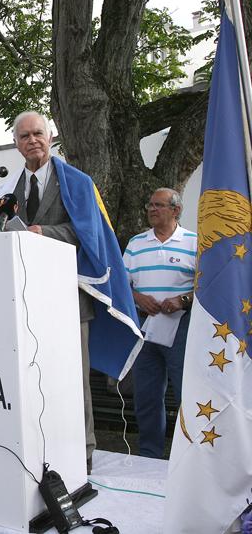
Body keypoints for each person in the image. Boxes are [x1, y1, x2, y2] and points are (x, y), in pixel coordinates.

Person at [0, 110, 103, 469]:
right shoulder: (7, 191)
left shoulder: (77, 182)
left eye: (37, 134)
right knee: (34, 380)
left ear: (51, 136)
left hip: (69, 301)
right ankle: (40, 449)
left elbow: (89, 236)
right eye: (24, 136)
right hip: (27, 304)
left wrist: (44, 233)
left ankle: (83, 450)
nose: (32, 141)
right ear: (15, 144)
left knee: (74, 380)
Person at [123, 188, 195, 459]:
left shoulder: (195, 242)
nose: (152, 209)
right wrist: (139, 298)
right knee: (147, 397)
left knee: (186, 395)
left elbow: (208, 288)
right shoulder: (136, 243)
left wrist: (184, 299)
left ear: (176, 210)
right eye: (149, 205)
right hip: (145, 328)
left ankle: (187, 457)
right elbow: (122, 285)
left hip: (183, 328)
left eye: (159, 205)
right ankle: (150, 456)